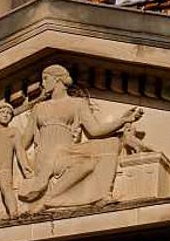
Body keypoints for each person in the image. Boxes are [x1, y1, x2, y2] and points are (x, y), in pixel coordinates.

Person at [18, 65, 142, 210]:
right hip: (47, 156)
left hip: (68, 151)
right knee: (86, 163)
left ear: (57, 80)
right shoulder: (39, 108)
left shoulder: (77, 103)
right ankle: (53, 198)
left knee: (111, 143)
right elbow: (23, 143)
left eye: (45, 79)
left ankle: (102, 194)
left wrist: (122, 120)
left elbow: (95, 131)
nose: (42, 84)